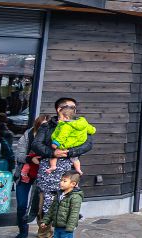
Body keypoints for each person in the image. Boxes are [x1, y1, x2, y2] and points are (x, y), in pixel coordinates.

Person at [32, 98, 93, 238]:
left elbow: (88, 144)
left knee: (67, 207)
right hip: (48, 172)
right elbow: (36, 144)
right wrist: (52, 152)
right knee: (44, 207)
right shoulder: (47, 126)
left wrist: (70, 152)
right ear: (58, 109)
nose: (72, 109)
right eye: (68, 106)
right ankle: (44, 234)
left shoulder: (80, 124)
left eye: (74, 107)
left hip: (68, 173)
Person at [13, 115, 49, 238]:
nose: (43, 128)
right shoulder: (28, 135)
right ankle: (23, 231)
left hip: (43, 176)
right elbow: (19, 155)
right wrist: (31, 158)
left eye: (46, 125)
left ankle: (44, 233)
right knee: (22, 205)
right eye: (41, 125)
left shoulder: (52, 137)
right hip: (24, 174)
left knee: (42, 206)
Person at [46, 104, 95, 175]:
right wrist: (93, 130)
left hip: (65, 145)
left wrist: (55, 143)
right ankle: (78, 169)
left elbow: (62, 136)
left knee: (53, 155)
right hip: (75, 145)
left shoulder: (66, 126)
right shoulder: (83, 123)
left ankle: (53, 166)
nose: (59, 119)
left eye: (60, 117)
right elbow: (91, 130)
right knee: (75, 159)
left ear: (66, 117)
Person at [39, 171, 82, 238]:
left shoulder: (75, 197)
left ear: (73, 184)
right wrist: (45, 221)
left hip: (66, 228)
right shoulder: (59, 194)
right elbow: (52, 209)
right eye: (61, 180)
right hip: (57, 226)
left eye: (64, 181)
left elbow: (74, 214)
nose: (61, 183)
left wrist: (70, 228)